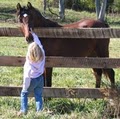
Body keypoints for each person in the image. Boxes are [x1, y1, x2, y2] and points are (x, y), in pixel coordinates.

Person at [18, 32, 45, 116]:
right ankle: (39, 111)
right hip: (40, 79)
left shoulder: (29, 61)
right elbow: (39, 44)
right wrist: (34, 34)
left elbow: (27, 76)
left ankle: (23, 110)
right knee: (38, 96)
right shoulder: (43, 55)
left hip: (31, 79)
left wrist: (25, 87)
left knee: (24, 94)